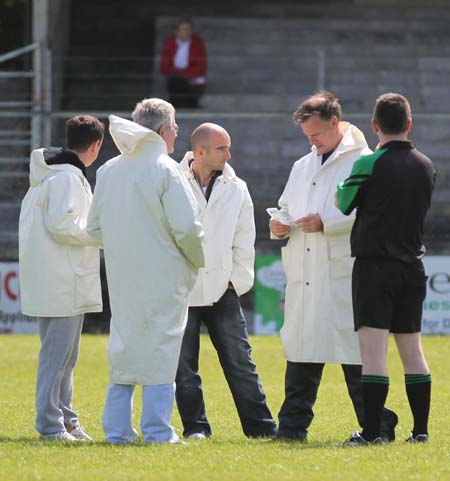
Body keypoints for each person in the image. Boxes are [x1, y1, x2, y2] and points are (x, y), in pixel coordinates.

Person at [269, 91, 398, 442]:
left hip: (343, 272)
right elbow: (285, 204)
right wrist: (279, 224)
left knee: (355, 353)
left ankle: (378, 425)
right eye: (307, 136)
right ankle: (292, 428)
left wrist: (327, 222)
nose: (312, 142)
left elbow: (367, 212)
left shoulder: (364, 160)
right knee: (302, 352)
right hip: (305, 271)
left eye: (317, 134)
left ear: (336, 124)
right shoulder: (302, 165)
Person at [87, 98, 205, 444]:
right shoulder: (166, 169)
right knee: (162, 348)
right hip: (164, 273)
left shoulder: (109, 170)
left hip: (123, 275)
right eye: (176, 129)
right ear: (165, 131)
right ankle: (157, 430)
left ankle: (117, 430)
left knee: (124, 347)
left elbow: (94, 229)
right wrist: (196, 259)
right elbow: (187, 227)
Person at [336, 93, 435, 445]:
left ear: (374, 126)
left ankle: (372, 433)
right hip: (412, 267)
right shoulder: (426, 165)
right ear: (409, 124)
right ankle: (420, 432)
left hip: (374, 267)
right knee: (413, 352)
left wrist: (340, 187)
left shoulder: (368, 163)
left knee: (374, 354)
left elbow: (344, 203)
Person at [175, 123, 277, 439]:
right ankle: (196, 428)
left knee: (240, 362)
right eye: (222, 148)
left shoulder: (238, 187)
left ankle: (261, 428)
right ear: (201, 151)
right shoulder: (171, 182)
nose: (229, 154)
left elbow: (245, 239)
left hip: (224, 290)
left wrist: (236, 281)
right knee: (183, 368)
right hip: (182, 290)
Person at [19, 115, 105, 441]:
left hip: (58, 277)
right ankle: (51, 426)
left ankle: (67, 420)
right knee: (58, 358)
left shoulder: (53, 176)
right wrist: (100, 234)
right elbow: (63, 224)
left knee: (66, 358)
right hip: (63, 278)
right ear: (96, 145)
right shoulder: (67, 178)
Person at [160, 17, 207, 109]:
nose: (188, 32)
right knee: (176, 81)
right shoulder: (169, 42)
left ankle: (190, 104)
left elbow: (201, 65)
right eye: (185, 29)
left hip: (193, 78)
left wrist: (187, 76)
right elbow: (164, 66)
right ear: (177, 32)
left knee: (193, 83)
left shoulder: (198, 43)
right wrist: (183, 76)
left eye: (189, 29)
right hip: (175, 78)